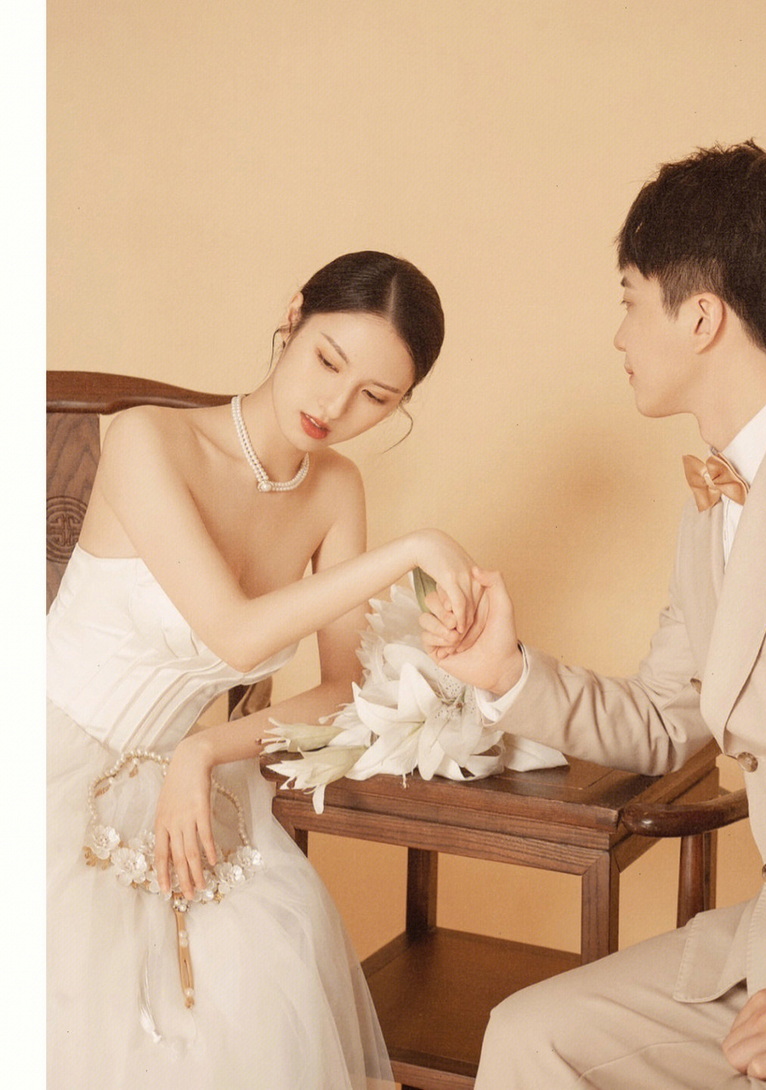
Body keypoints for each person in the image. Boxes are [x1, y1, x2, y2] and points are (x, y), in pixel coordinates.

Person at [46, 250, 483, 1089]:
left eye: (376, 397)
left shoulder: (335, 488)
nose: (335, 406)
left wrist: (205, 750)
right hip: (46, 760)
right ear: (292, 316)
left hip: (188, 776)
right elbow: (239, 637)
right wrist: (416, 548)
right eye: (328, 360)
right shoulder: (146, 439)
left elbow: (342, 693)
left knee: (262, 986)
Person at [420, 142, 766, 1088]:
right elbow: (666, 720)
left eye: (628, 299)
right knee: (528, 1034)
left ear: (699, 316)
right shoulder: (711, 511)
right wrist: (505, 674)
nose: (618, 336)